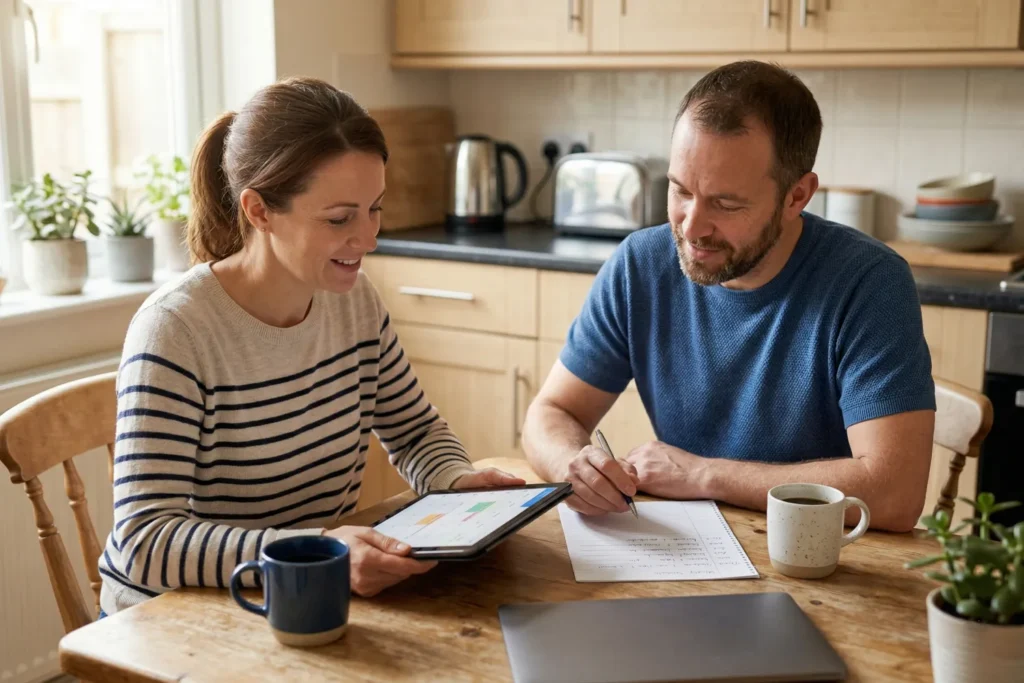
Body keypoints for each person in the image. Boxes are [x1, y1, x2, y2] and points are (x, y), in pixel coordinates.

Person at [99, 77, 524, 617]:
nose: (368, 238)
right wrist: (315, 551)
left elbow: (414, 431)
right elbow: (145, 542)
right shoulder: (176, 330)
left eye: (375, 208)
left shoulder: (354, 302)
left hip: (301, 595)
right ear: (258, 211)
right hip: (172, 618)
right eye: (339, 218)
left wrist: (458, 482)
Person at [522, 60, 936, 533]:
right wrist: (573, 466)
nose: (691, 227)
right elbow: (551, 413)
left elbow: (896, 492)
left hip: (815, 559)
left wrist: (704, 474)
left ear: (797, 196)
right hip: (683, 550)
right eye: (680, 191)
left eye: (726, 204)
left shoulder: (868, 283)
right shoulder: (641, 264)